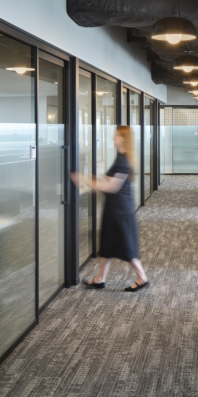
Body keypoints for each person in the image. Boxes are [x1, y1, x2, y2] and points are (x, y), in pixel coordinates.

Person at [71, 125, 150, 292]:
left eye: (116, 136)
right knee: (107, 243)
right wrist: (91, 181)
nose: (113, 138)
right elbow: (108, 181)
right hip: (114, 207)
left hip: (119, 210)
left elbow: (111, 187)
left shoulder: (123, 161)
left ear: (123, 139)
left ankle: (142, 277)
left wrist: (84, 179)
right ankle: (100, 278)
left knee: (126, 245)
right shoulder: (121, 157)